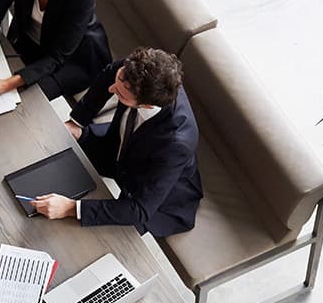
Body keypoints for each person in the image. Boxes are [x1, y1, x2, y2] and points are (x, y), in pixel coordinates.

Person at [31, 47, 203, 237]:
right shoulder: (134, 70)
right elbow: (109, 75)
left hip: (155, 194)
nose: (112, 90)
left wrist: (72, 208)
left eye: (120, 95)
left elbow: (139, 209)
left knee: (96, 235)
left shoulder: (176, 142)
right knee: (53, 147)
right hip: (119, 145)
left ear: (145, 104)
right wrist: (76, 122)